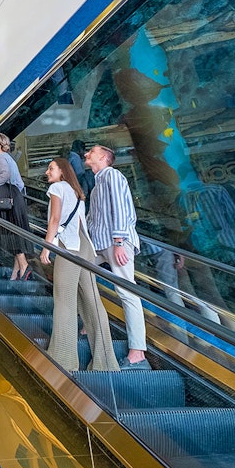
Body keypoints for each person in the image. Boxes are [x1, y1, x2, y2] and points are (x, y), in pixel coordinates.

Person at [40, 157, 120, 372]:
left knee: (64, 299)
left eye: (51, 168)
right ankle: (106, 363)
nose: (47, 172)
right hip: (85, 245)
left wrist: (47, 246)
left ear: (62, 171)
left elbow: (54, 220)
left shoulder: (57, 188)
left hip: (69, 245)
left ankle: (63, 359)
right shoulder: (76, 192)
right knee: (92, 300)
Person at [85, 144, 149, 370]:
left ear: (102, 157)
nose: (86, 155)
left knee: (126, 291)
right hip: (101, 246)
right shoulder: (97, 185)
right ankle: (89, 325)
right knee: (79, 274)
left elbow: (122, 209)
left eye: (90, 152)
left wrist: (120, 242)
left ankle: (138, 353)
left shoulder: (112, 176)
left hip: (115, 243)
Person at [0, 132, 33, 280]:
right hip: (15, 198)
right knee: (15, 232)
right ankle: (15, 273)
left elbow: (5, 175)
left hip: (7, 200)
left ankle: (24, 266)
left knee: (11, 233)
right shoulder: (9, 158)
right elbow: (19, 182)